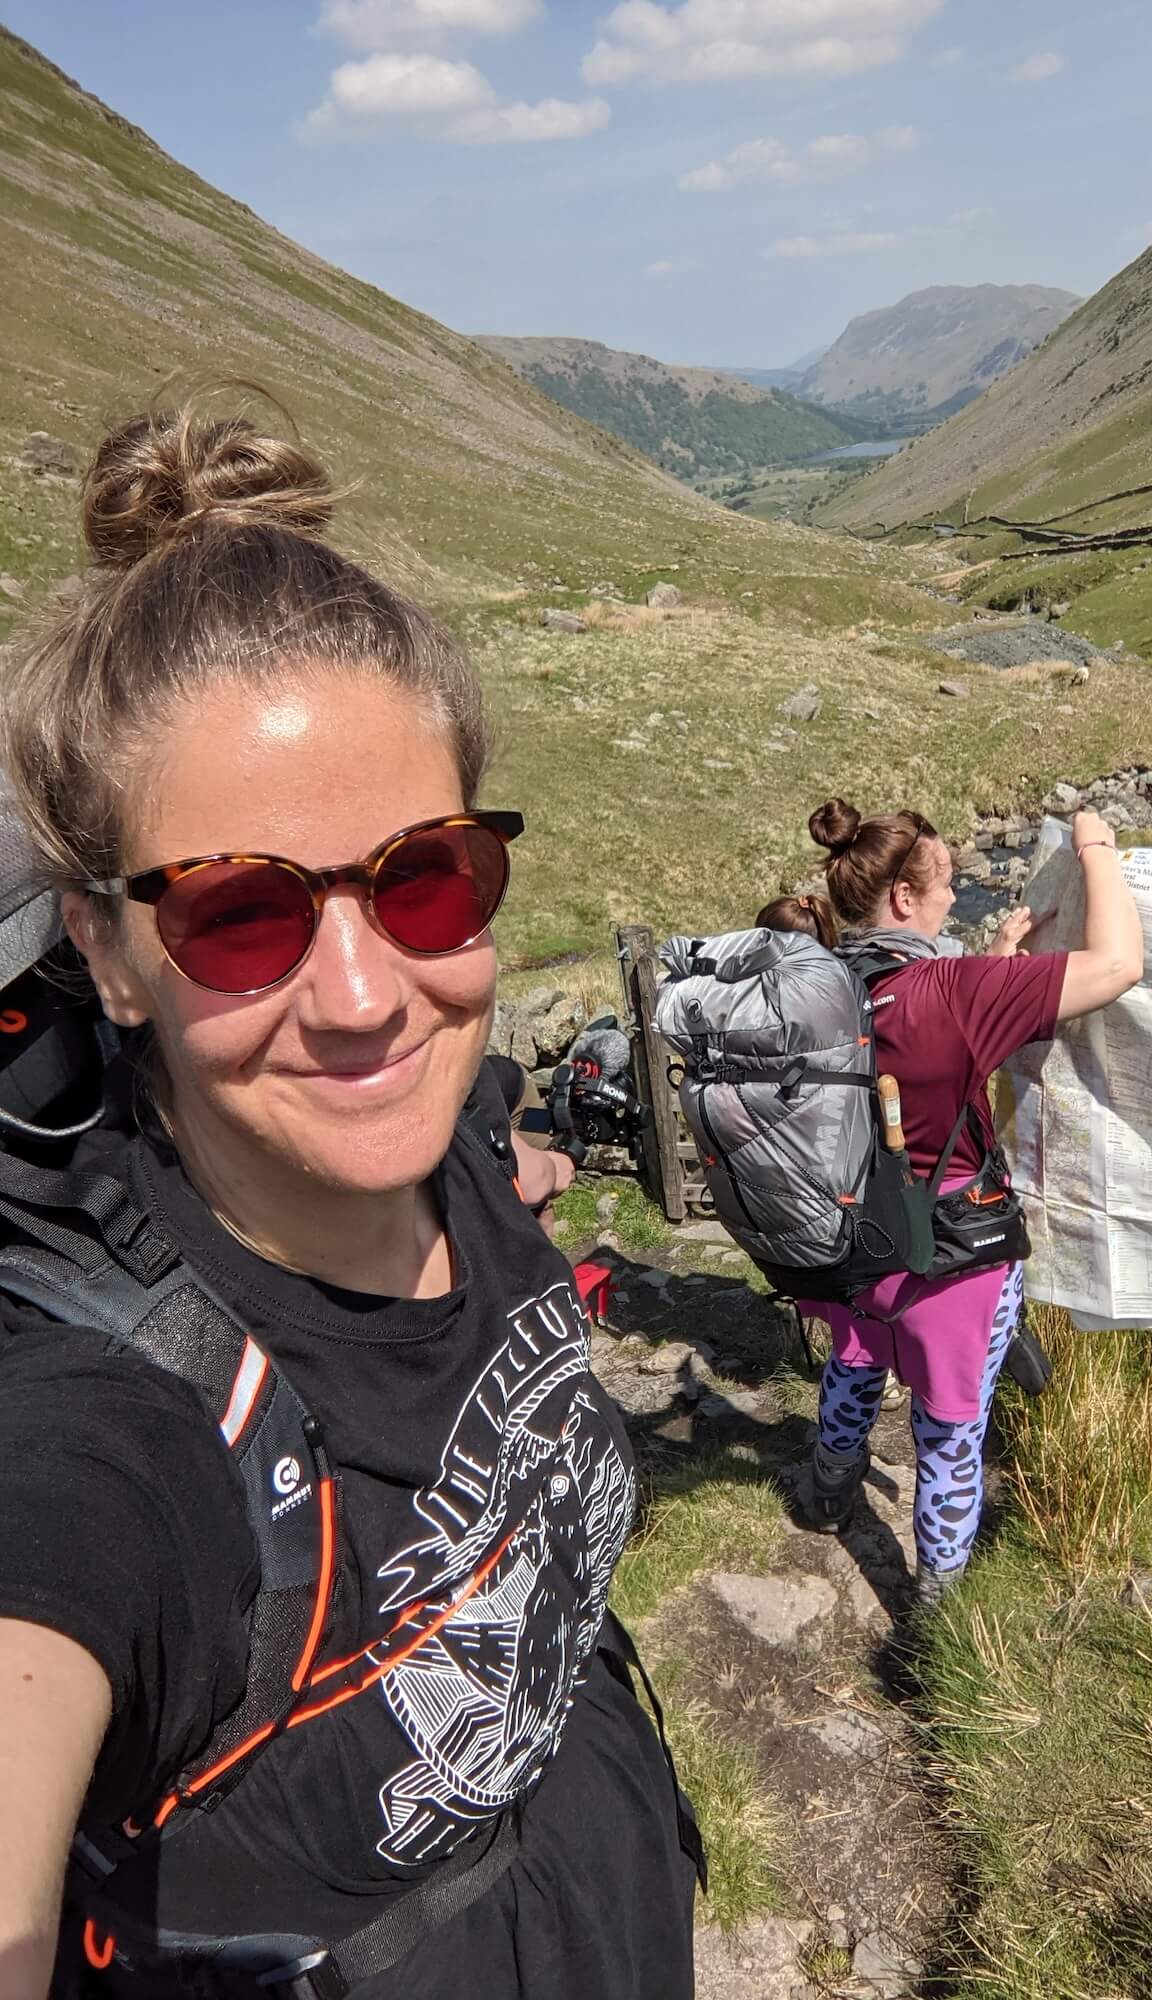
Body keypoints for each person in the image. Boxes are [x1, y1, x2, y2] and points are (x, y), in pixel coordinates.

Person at [0, 397, 699, 1998]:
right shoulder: (112, 1434)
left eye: (425, 878)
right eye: (240, 917)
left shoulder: (454, 1148)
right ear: (106, 952)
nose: (369, 997)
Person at [799, 798, 1143, 1610]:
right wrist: (1095, 843)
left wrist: (992, 961)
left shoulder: (818, 986)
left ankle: (824, 1490)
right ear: (906, 901)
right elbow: (1120, 964)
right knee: (950, 1431)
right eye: (946, 883)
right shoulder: (954, 992)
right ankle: (937, 1602)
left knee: (854, 1359)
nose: (956, 896)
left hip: (845, 1242)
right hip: (948, 1253)